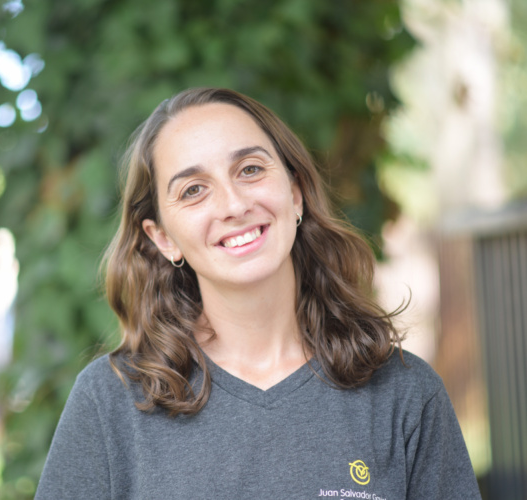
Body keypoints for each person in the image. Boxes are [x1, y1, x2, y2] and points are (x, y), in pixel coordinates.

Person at [36, 88, 481, 499]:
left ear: (295, 193)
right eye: (193, 190)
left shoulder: (403, 393)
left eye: (249, 169)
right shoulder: (109, 403)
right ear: (163, 238)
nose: (234, 205)